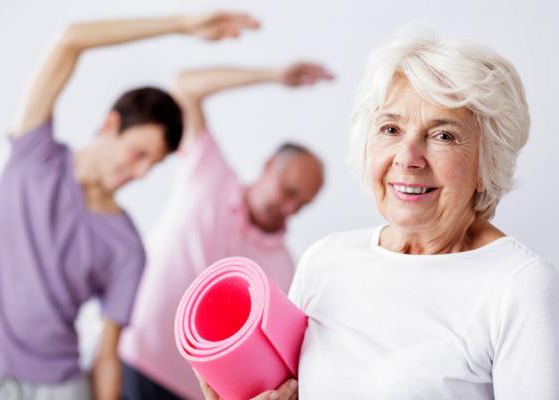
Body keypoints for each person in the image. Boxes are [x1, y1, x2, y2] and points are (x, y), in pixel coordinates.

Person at [200, 29, 559, 400]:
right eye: (391, 129)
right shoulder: (324, 260)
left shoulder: (519, 284)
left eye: (443, 136)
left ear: (488, 163)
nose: (408, 157)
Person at [0, 11, 259, 400]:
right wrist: (182, 25)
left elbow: (106, 354)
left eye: (154, 164)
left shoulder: (127, 246)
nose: (141, 171)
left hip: (55, 387)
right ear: (109, 124)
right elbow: (70, 39)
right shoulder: (31, 155)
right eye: (138, 153)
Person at [119, 63, 333, 400]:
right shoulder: (209, 174)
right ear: (267, 166)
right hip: (133, 360)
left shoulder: (286, 270)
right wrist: (272, 75)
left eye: (302, 204)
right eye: (289, 192)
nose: (291, 209)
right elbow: (184, 84)